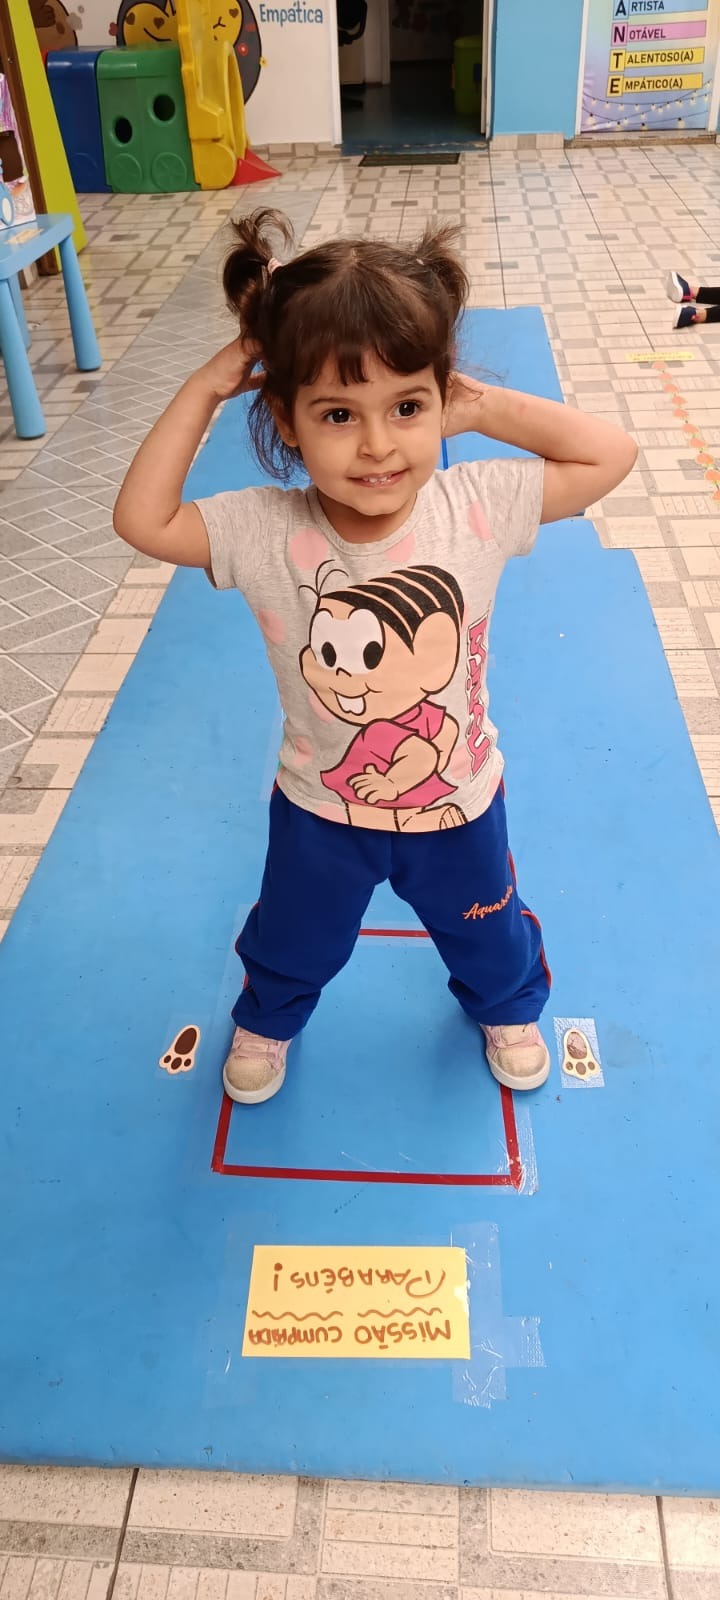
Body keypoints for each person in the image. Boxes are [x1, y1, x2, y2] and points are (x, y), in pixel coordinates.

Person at [114, 209, 637, 1107]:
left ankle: (507, 1008)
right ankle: (270, 1019)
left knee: (488, 931)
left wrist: (477, 403)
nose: (377, 445)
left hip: (457, 800)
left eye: (407, 407)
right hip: (320, 808)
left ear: (441, 399)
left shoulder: (475, 505)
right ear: (285, 419)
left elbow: (610, 455)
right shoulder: (265, 529)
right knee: (291, 937)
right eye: (336, 414)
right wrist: (206, 385)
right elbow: (143, 520)